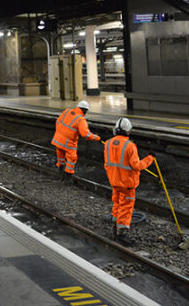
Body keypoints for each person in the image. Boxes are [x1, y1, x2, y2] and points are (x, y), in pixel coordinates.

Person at [104, 117, 154, 246]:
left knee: (117, 204)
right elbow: (137, 166)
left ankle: (115, 228)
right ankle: (122, 234)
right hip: (127, 184)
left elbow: (108, 163)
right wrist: (150, 158)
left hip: (114, 181)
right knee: (126, 208)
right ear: (128, 131)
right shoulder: (130, 146)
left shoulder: (108, 143)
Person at [51, 100, 100, 183]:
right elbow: (86, 134)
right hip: (69, 143)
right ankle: (68, 178)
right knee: (71, 159)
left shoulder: (67, 111)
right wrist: (96, 138)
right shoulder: (80, 120)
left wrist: (61, 133)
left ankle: (60, 172)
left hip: (58, 139)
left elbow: (58, 121)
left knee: (60, 156)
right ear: (85, 110)